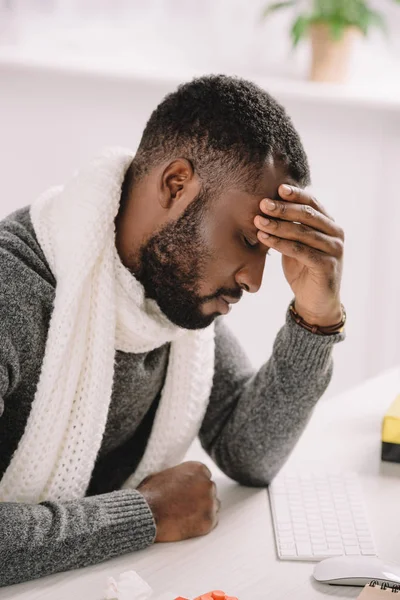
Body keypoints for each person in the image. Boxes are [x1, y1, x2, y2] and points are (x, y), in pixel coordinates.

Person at [0, 75, 345, 587]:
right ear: (176, 184)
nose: (254, 280)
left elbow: (249, 451)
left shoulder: (168, 298)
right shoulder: (14, 290)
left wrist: (316, 319)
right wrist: (143, 516)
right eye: (249, 239)